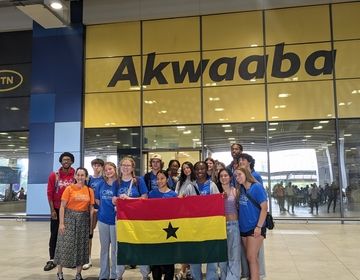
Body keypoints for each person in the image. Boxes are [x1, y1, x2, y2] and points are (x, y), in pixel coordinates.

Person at [54, 167, 95, 280]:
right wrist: (61, 223)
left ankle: (78, 273)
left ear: (86, 177)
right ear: (75, 176)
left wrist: (91, 227)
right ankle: (59, 272)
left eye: (83, 175)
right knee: (64, 245)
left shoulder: (89, 190)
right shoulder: (69, 189)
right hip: (69, 219)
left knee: (81, 247)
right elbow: (62, 207)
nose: (80, 177)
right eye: (79, 175)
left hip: (83, 220)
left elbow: (91, 209)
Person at [112, 157, 149, 280]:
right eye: (123, 165)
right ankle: (118, 275)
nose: (125, 167)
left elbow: (144, 198)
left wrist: (129, 200)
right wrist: (116, 200)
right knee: (121, 246)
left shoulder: (139, 181)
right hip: (122, 220)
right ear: (120, 167)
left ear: (133, 168)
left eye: (128, 165)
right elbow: (113, 199)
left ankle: (144, 274)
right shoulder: (116, 182)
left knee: (140, 245)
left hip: (137, 219)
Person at [44, 152, 75, 272]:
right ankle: (52, 259)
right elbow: (49, 193)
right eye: (63, 159)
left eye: (68, 159)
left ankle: (69, 259)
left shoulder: (75, 175)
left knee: (70, 235)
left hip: (71, 210)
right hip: (57, 209)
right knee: (55, 234)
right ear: (61, 161)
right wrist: (52, 210)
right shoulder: (54, 175)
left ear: (72, 161)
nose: (65, 161)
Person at [234, 167, 267, 280]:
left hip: (255, 227)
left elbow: (264, 208)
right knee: (250, 258)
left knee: (251, 257)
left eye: (239, 174)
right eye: (236, 176)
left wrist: (259, 227)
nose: (237, 177)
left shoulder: (256, 187)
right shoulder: (241, 189)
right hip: (243, 229)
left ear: (246, 173)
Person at [190, 161, 219, 280]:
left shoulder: (212, 185)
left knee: (211, 255)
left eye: (202, 169)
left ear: (207, 170)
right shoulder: (190, 186)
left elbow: (217, 204)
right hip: (194, 228)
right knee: (194, 255)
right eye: (197, 169)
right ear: (194, 171)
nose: (199, 172)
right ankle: (196, 277)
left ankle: (211, 278)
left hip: (209, 227)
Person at [148, 170, 178, 280]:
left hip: (169, 232)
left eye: (162, 178)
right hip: (155, 232)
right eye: (158, 179)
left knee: (169, 262)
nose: (159, 181)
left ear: (167, 179)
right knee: (156, 262)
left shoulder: (173, 194)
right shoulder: (152, 194)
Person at [218, 168, 241, 280]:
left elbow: (240, 208)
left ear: (230, 177)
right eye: (221, 176)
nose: (223, 177)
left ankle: (233, 277)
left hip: (234, 225)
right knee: (222, 254)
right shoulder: (216, 192)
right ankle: (223, 276)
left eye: (226, 175)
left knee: (234, 254)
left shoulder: (235, 191)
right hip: (220, 227)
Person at [96, 162, 117, 280]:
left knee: (115, 249)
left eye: (110, 169)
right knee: (104, 249)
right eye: (106, 170)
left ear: (115, 169)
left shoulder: (118, 184)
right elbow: (97, 200)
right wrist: (105, 208)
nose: (108, 171)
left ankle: (114, 275)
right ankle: (103, 275)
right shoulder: (100, 184)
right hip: (103, 220)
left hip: (115, 221)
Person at [83, 158, 105, 270]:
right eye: (94, 165)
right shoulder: (89, 179)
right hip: (91, 209)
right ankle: (88, 259)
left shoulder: (105, 179)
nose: (96, 167)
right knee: (89, 233)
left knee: (107, 236)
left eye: (99, 165)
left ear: (102, 167)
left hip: (103, 209)